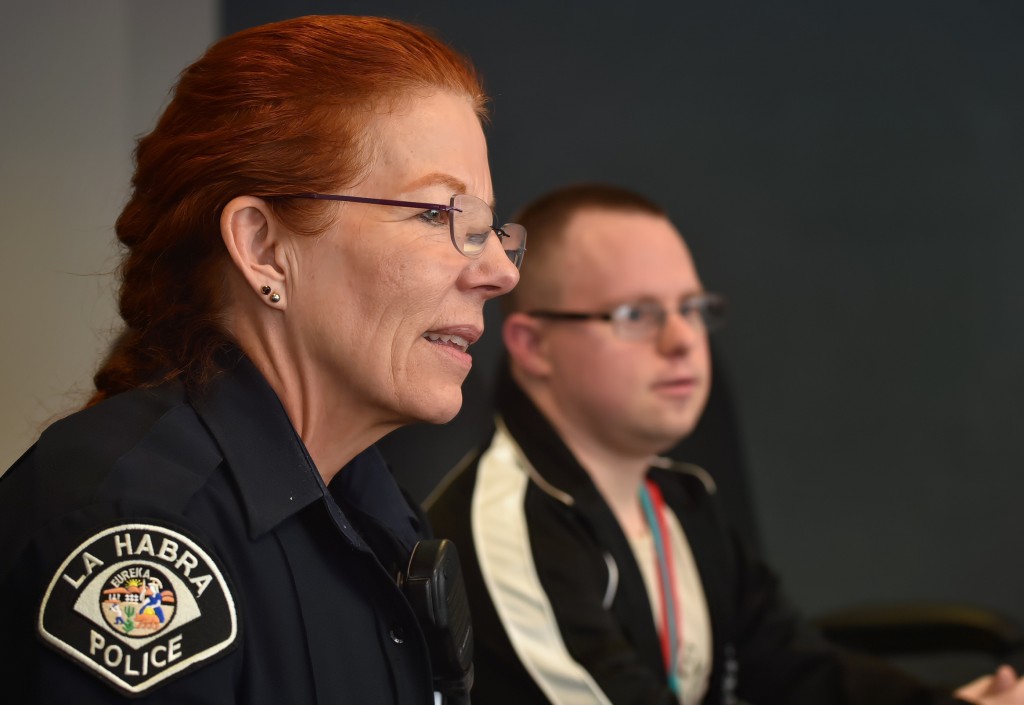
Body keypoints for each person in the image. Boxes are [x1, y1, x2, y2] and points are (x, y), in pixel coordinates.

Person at [0, 15, 524, 704]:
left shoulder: (375, 509)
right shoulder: (138, 531)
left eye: (488, 230)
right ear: (264, 248)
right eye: (439, 215)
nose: (498, 271)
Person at [426, 183, 1023, 705]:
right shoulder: (508, 532)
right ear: (532, 346)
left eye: (691, 309)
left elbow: (799, 669)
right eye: (636, 314)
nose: (684, 340)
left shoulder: (683, 497)